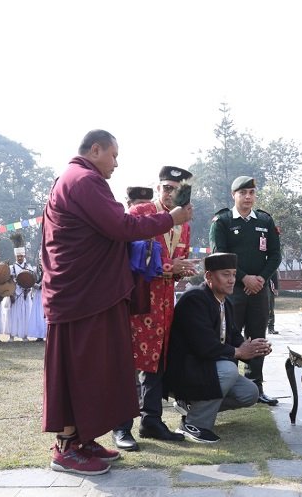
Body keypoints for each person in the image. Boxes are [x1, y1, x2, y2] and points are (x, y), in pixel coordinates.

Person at [42, 129, 194, 475]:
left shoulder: (76, 179)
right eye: (113, 155)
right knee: (77, 370)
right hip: (80, 297)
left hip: (89, 294)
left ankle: (82, 440)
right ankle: (66, 448)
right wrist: (171, 218)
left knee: (95, 369)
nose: (116, 163)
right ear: (95, 150)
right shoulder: (83, 180)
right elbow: (121, 226)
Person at [112, 167, 197, 451]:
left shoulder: (184, 222)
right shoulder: (141, 213)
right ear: (157, 188)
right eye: (166, 188)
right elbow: (129, 256)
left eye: (177, 189)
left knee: (157, 362)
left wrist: (181, 269)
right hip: (137, 299)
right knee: (129, 362)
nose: (171, 194)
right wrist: (171, 266)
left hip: (164, 302)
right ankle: (121, 426)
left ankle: (151, 420)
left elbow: (179, 260)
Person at [164, 252, 267, 443]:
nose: (232, 280)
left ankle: (191, 406)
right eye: (225, 274)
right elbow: (204, 346)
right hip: (184, 371)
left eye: (233, 274)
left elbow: (233, 335)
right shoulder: (195, 299)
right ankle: (194, 424)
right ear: (209, 276)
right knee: (228, 370)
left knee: (250, 393)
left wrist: (252, 348)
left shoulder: (224, 302)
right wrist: (238, 352)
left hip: (204, 370)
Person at [209, 176, 281, 406]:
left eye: (251, 192)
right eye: (243, 193)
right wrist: (244, 278)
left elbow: (275, 255)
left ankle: (256, 386)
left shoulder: (264, 220)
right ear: (234, 195)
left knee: (258, 336)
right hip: (231, 291)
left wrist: (260, 279)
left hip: (259, 290)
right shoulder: (222, 221)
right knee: (228, 336)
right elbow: (219, 255)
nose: (248, 197)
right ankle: (228, 386)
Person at [8, 238, 34, 341]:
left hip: (25, 294)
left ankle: (25, 335)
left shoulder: (29, 267)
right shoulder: (12, 268)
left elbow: (32, 280)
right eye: (18, 256)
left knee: (25, 314)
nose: (19, 258)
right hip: (15, 294)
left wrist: (28, 289)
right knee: (13, 315)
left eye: (21, 256)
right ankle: (12, 335)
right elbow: (9, 281)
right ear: (15, 257)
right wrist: (11, 294)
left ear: (24, 256)